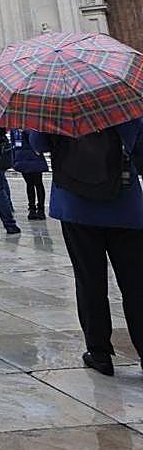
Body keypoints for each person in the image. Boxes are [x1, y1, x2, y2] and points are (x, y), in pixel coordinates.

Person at [30, 122, 143, 377]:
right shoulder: (124, 106)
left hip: (76, 207)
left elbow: (37, 145)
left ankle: (99, 353)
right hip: (125, 207)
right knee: (136, 285)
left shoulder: (55, 108)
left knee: (89, 281)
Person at [11, 128, 48, 220]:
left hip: (24, 159)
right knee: (36, 184)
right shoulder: (32, 128)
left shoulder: (15, 129)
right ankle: (39, 209)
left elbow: (13, 144)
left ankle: (34, 209)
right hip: (31, 158)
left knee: (32, 184)